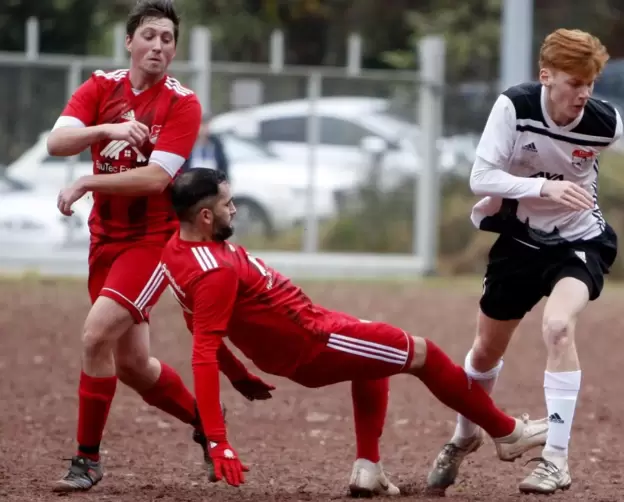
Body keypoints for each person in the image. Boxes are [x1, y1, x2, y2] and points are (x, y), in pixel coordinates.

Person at [158, 167, 549, 494]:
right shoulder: (215, 272)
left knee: (371, 354)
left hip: (309, 329)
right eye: (227, 204)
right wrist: (217, 440)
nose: (235, 209)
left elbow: (196, 319)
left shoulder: (175, 250)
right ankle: (507, 433)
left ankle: (368, 471)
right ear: (206, 217)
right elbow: (203, 353)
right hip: (313, 339)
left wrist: (240, 374)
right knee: (423, 353)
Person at [46, 0, 275, 492]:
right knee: (132, 364)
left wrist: (88, 180)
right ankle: (206, 428)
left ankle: (87, 460)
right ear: (130, 42)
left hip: (150, 243)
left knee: (93, 337)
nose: (158, 45)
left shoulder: (182, 102)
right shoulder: (100, 87)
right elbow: (56, 142)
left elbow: (157, 178)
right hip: (103, 241)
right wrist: (106, 128)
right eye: (149, 35)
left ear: (174, 49)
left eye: (167, 38)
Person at [425, 28, 623, 495]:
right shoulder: (515, 106)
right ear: (546, 76)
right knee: (484, 352)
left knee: (558, 327)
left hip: (580, 241)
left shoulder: (605, 124)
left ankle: (555, 458)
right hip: (519, 242)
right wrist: (542, 188)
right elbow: (480, 177)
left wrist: (561, 192)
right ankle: (463, 436)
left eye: (590, 83)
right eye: (575, 83)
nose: (584, 94)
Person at [186, 114, 229, 179]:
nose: (203, 129)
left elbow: (223, 165)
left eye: (206, 125)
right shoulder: (189, 144)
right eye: (201, 125)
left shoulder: (215, 144)